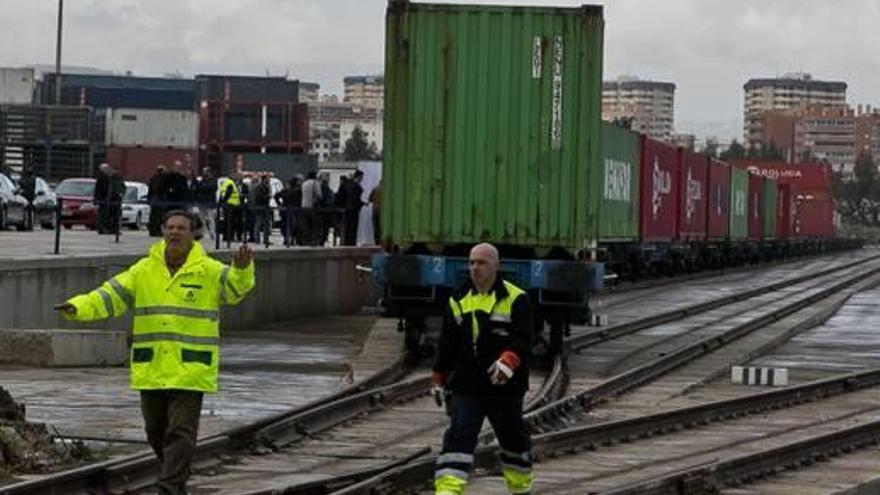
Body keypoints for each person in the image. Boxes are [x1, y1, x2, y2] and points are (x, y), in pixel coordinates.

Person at [54, 210, 255, 495]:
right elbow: (110, 296)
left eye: (181, 228)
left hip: (190, 368)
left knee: (181, 432)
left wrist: (242, 268)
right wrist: (78, 307)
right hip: (152, 366)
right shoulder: (144, 270)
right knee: (155, 431)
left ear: (193, 234)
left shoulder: (208, 270)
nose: (174, 232)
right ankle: (176, 478)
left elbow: (235, 290)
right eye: (170, 227)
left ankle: (169, 487)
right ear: (163, 230)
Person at [432, 243, 534, 495]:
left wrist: (509, 359)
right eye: (472, 262)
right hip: (467, 386)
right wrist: (438, 376)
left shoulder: (516, 298)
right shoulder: (458, 300)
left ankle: (520, 488)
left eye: (482, 263)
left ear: (496, 266)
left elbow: (525, 338)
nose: (475, 268)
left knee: (513, 440)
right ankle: (447, 490)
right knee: (458, 437)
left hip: (505, 387)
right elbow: (447, 344)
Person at [193, 168, 217, 241]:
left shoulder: (213, 180)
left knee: (210, 219)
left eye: (206, 172)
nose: (204, 174)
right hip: (202, 203)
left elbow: (210, 188)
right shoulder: (203, 180)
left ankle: (212, 233)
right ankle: (205, 233)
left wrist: (202, 186)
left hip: (209, 203)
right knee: (202, 218)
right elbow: (198, 188)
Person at [218, 172, 242, 242]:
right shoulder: (231, 183)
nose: (236, 177)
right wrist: (225, 201)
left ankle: (226, 237)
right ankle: (230, 237)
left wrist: (222, 202)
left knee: (227, 222)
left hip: (227, 205)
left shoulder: (226, 182)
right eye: (234, 176)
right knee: (230, 222)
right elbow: (228, 194)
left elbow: (222, 194)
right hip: (231, 205)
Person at [344, 170, 365, 246]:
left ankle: (347, 242)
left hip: (348, 208)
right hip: (354, 209)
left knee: (349, 226)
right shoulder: (356, 186)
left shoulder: (349, 184)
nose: (362, 179)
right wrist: (362, 203)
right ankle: (351, 242)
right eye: (362, 177)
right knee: (353, 227)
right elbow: (355, 199)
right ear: (358, 177)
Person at [300, 171, 322, 245]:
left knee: (306, 225)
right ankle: (314, 241)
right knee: (314, 225)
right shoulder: (315, 183)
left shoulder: (304, 183)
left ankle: (305, 241)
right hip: (312, 207)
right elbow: (319, 195)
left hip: (303, 206)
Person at [148, 165, 167, 237]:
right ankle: (156, 230)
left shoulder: (154, 178)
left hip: (155, 199)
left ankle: (153, 230)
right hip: (160, 199)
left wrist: (149, 199)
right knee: (159, 216)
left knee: (154, 216)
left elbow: (150, 190)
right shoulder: (164, 179)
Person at [94, 163, 112, 234]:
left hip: (103, 198)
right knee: (103, 214)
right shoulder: (103, 177)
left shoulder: (104, 177)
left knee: (103, 214)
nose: (108, 170)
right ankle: (102, 228)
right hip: (103, 198)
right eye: (106, 168)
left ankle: (103, 228)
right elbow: (101, 189)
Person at [369, 180, 381, 245]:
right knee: (382, 228)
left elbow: (370, 199)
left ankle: (377, 243)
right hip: (384, 210)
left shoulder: (374, 189)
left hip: (375, 209)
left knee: (376, 227)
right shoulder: (388, 190)